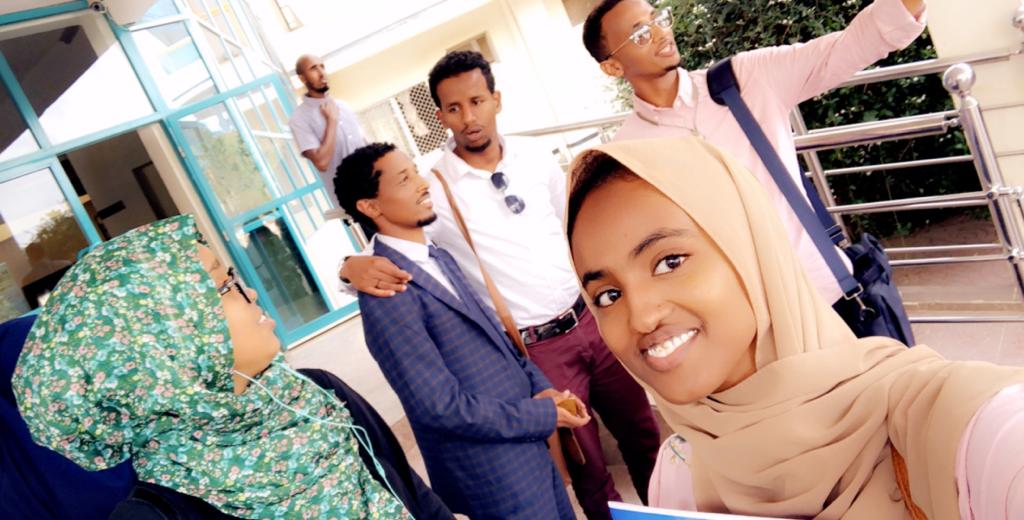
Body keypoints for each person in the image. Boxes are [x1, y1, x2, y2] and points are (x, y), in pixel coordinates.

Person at [564, 136, 1024, 518]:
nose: (641, 317)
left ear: (751, 250)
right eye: (607, 295)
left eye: (669, 262)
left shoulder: (972, 431)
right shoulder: (679, 472)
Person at [337, 50, 662, 520]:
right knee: (588, 468)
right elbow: (393, 250)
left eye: (476, 101)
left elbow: (574, 228)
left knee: (645, 435)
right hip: (539, 349)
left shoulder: (535, 156)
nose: (468, 118)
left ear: (496, 100)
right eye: (453, 108)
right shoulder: (434, 187)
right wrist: (348, 266)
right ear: (441, 116)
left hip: (591, 322)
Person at [12, 215, 454, 519]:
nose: (251, 294)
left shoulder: (320, 395)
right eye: (223, 286)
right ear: (165, 341)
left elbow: (418, 499)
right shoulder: (157, 515)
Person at [581, 0, 926, 305]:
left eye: (659, 19)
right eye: (640, 33)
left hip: (828, 287)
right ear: (613, 67)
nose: (660, 33)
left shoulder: (747, 77)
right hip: (746, 320)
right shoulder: (627, 154)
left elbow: (853, 44)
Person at [335, 142, 587, 519]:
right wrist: (540, 416)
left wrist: (540, 387)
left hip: (531, 450)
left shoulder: (440, 256)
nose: (422, 184)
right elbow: (439, 408)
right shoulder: (387, 294)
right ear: (370, 207)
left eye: (415, 172)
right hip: (492, 475)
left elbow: (498, 340)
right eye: (404, 179)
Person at [289, 54, 366, 207]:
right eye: (313, 68)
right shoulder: (299, 119)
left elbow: (363, 143)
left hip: (377, 189)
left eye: (322, 67)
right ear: (302, 78)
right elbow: (322, 162)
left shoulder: (343, 106)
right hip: (353, 203)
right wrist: (332, 121)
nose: (321, 73)